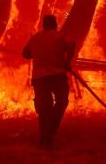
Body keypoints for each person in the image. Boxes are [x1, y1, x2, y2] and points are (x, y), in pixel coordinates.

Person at [22, 14, 76, 150]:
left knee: (44, 109)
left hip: (39, 77)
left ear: (43, 25)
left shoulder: (36, 37)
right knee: (61, 102)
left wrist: (38, 53)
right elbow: (72, 44)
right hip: (57, 75)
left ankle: (44, 136)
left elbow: (25, 53)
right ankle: (50, 133)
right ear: (55, 24)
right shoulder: (59, 36)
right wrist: (67, 62)